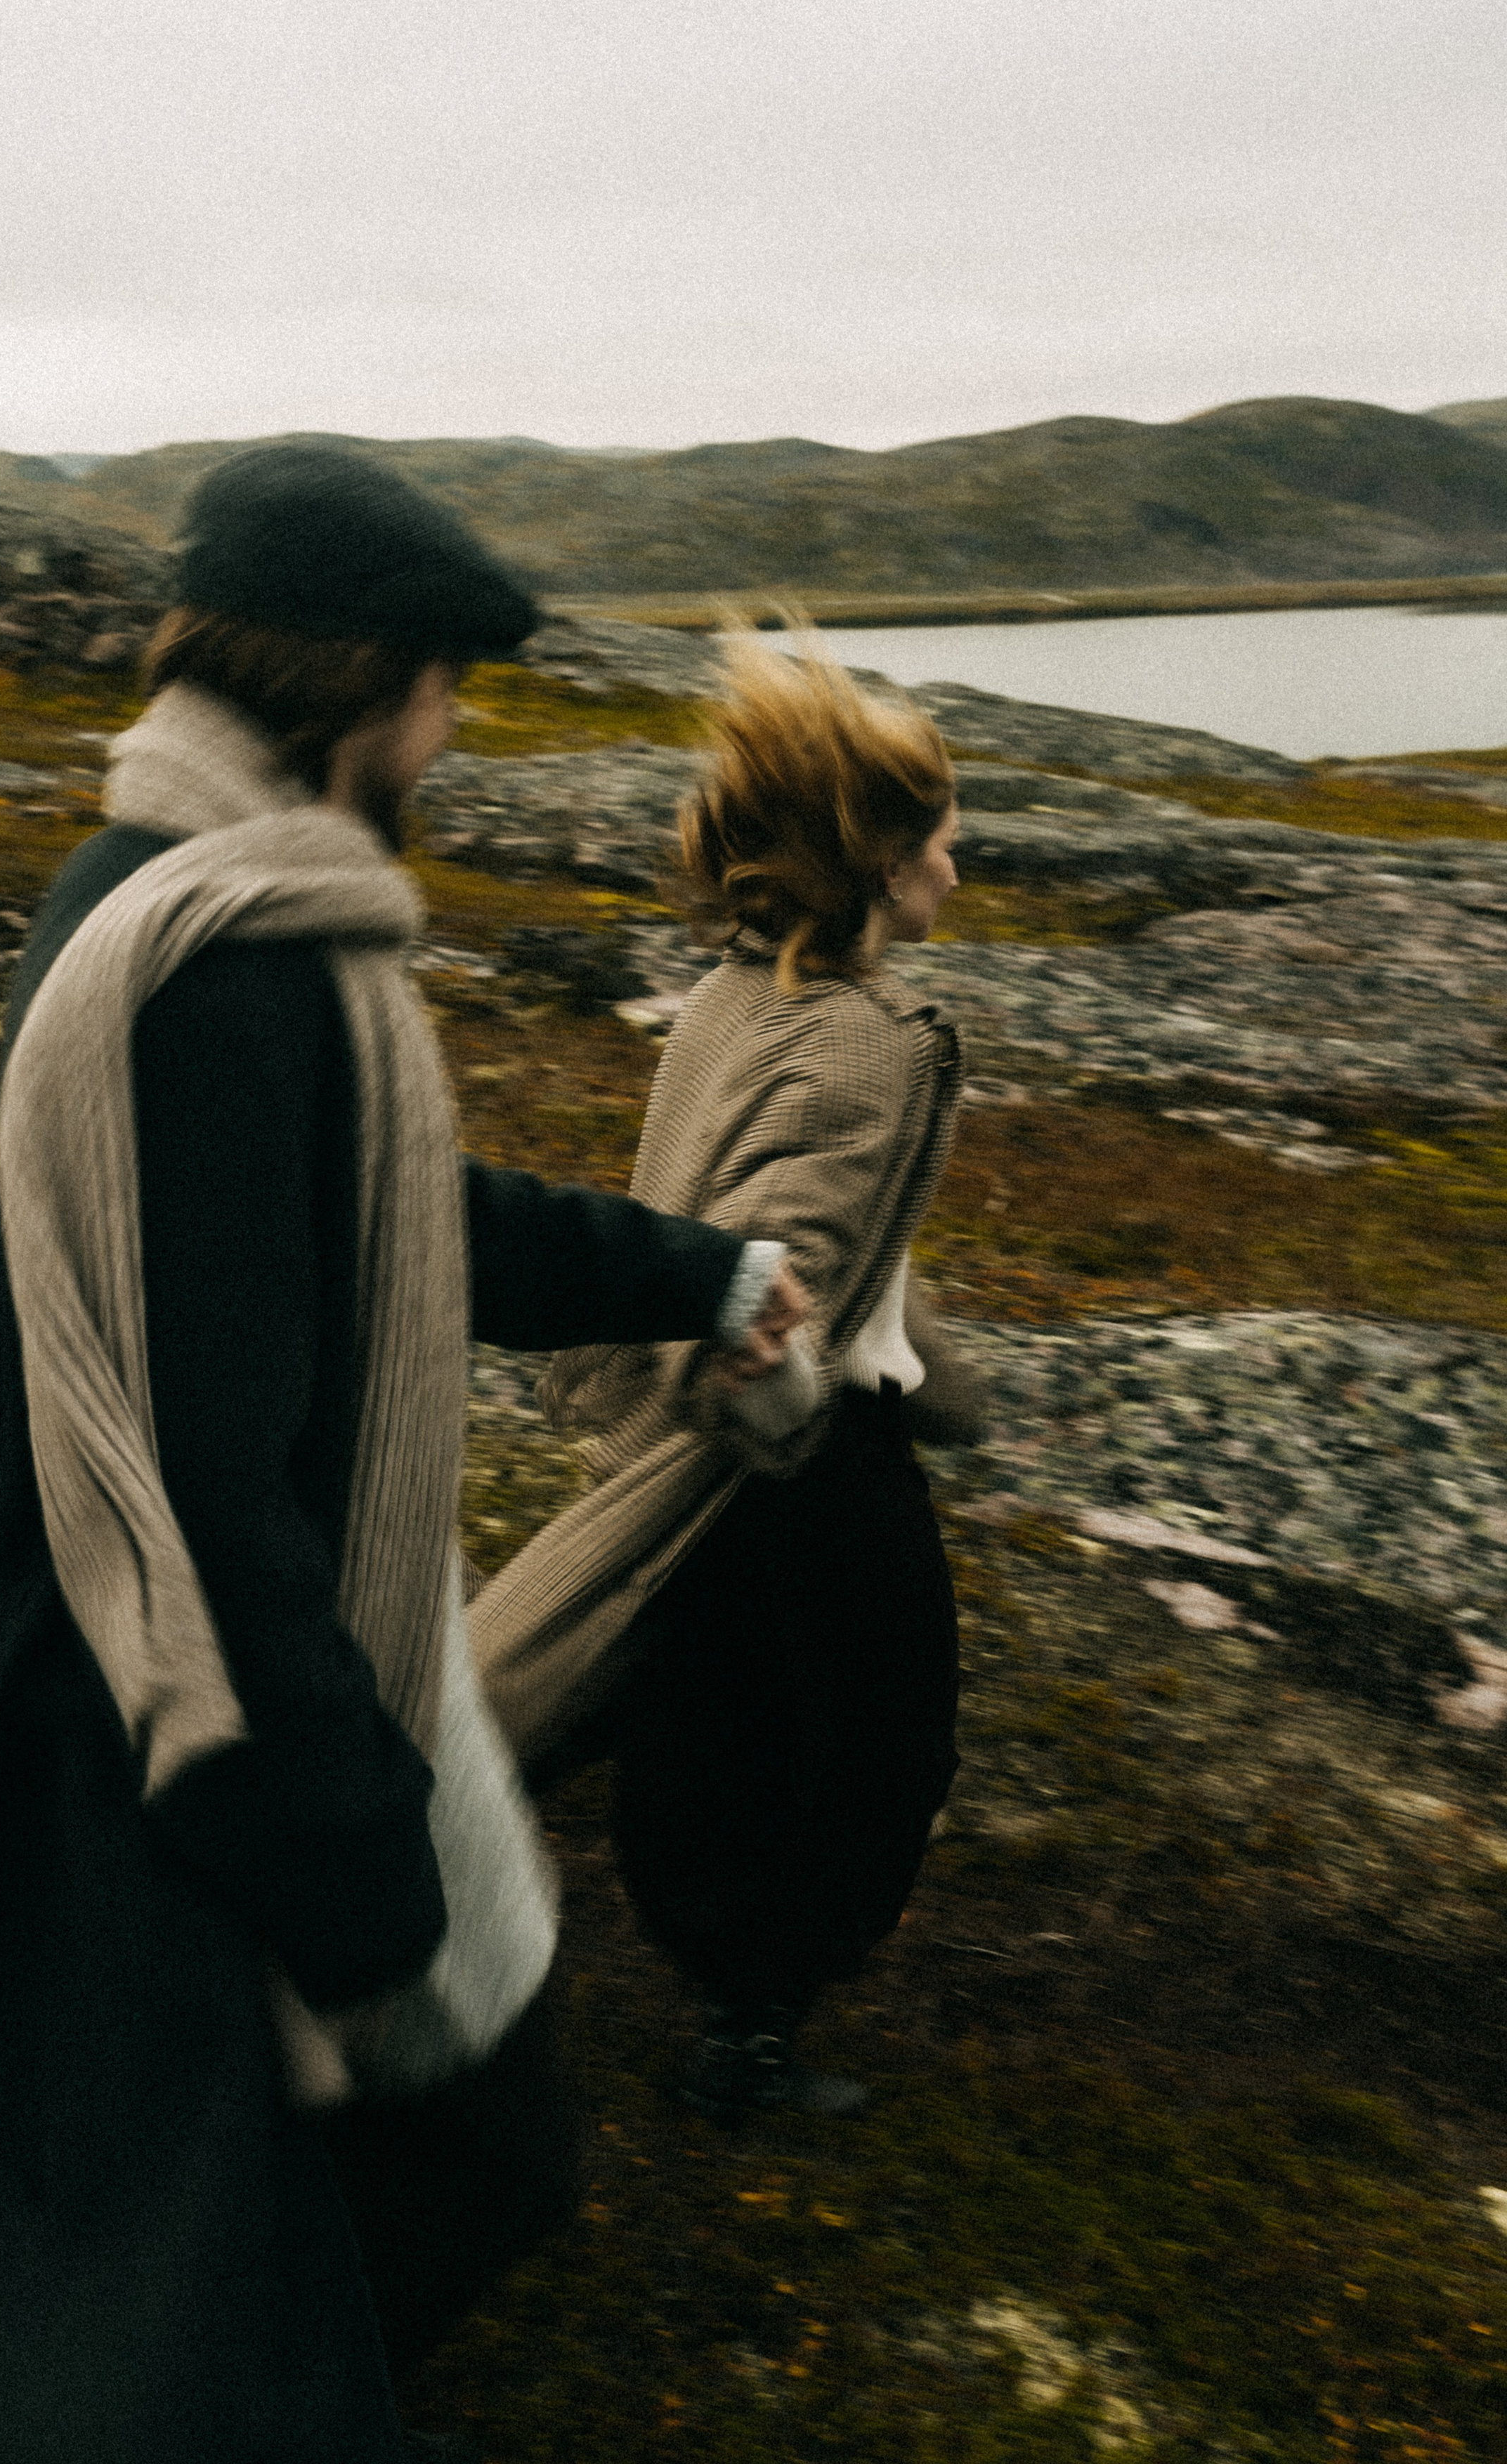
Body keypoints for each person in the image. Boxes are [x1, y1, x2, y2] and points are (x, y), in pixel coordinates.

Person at [0, 446, 807, 2464]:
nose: (458, 734)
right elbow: (207, 1484)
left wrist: (695, 1269)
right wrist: (333, 1836)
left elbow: (393, 1218)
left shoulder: (216, 904)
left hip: (108, 1678)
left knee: (95, 2161)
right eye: (443, 693)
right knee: (251, 2244)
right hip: (144, 1706)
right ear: (365, 684)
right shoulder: (208, 970)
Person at [469, 633, 988, 2123]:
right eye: (939, 833)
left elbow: (826, 1243)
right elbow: (780, 1269)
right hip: (785, 1459)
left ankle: (720, 1999)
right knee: (870, 1735)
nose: (957, 861)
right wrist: (813, 1424)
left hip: (713, 1432)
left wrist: (939, 1372)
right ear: (881, 855)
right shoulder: (866, 1046)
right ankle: (749, 2026)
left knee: (700, 1708)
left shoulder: (735, 994)